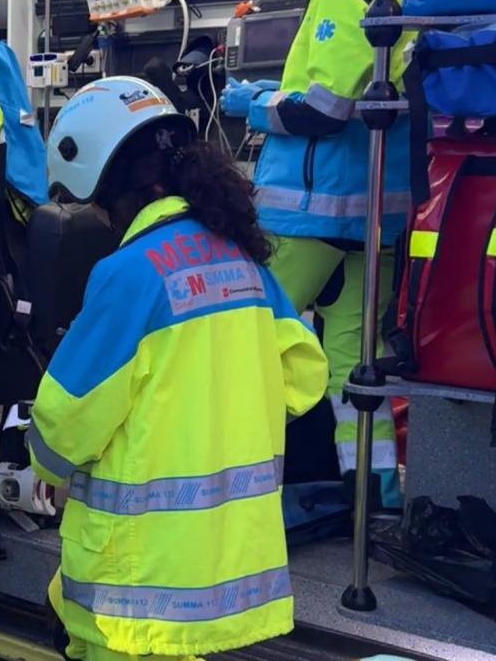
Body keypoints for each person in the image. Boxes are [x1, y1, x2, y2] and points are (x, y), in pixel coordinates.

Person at [28, 77, 329, 661]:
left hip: (134, 594)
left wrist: (38, 457)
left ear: (111, 187)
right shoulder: (244, 261)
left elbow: (64, 426)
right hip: (223, 580)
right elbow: (303, 376)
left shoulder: (129, 274)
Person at [220, 0, 410, 508]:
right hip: (373, 222)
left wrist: (252, 105)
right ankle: (374, 488)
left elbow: (322, 111)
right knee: (355, 364)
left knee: (246, 343)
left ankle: (235, 485)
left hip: (309, 217)